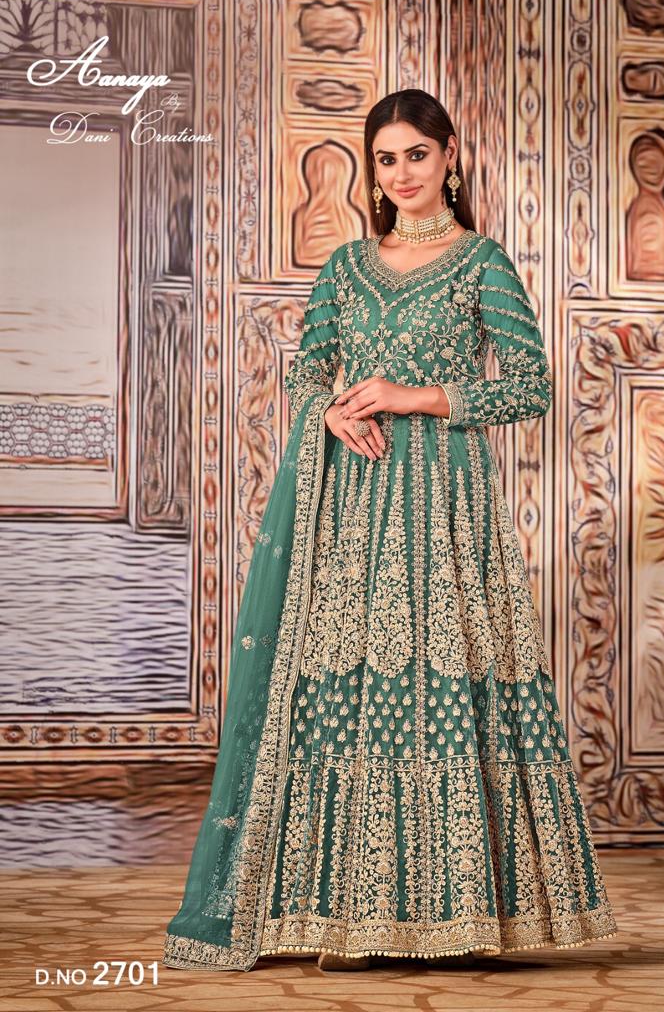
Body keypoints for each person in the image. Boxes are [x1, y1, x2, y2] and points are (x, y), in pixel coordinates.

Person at [162, 88, 618, 974]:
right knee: (348, 690)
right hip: (354, 506)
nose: (402, 173)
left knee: (442, 689)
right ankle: (339, 913)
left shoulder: (482, 263)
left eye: (417, 154)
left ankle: (457, 912)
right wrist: (328, 413)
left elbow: (529, 385)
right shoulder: (344, 268)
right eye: (385, 158)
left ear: (450, 158)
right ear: (370, 171)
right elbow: (308, 375)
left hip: (446, 505)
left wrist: (421, 397)